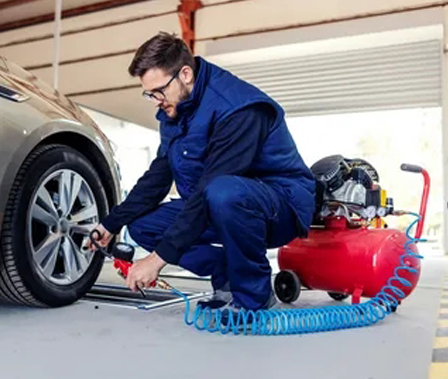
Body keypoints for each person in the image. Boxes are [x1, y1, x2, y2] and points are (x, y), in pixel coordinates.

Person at [88, 32, 315, 313]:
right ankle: (227, 274)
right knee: (144, 226)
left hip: (279, 208)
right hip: (219, 201)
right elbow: (158, 177)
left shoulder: (237, 108)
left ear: (185, 74)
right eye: (149, 93)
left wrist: (157, 260)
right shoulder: (176, 110)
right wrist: (111, 224)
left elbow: (211, 187)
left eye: (159, 90)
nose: (156, 100)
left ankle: (253, 298)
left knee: (222, 192)